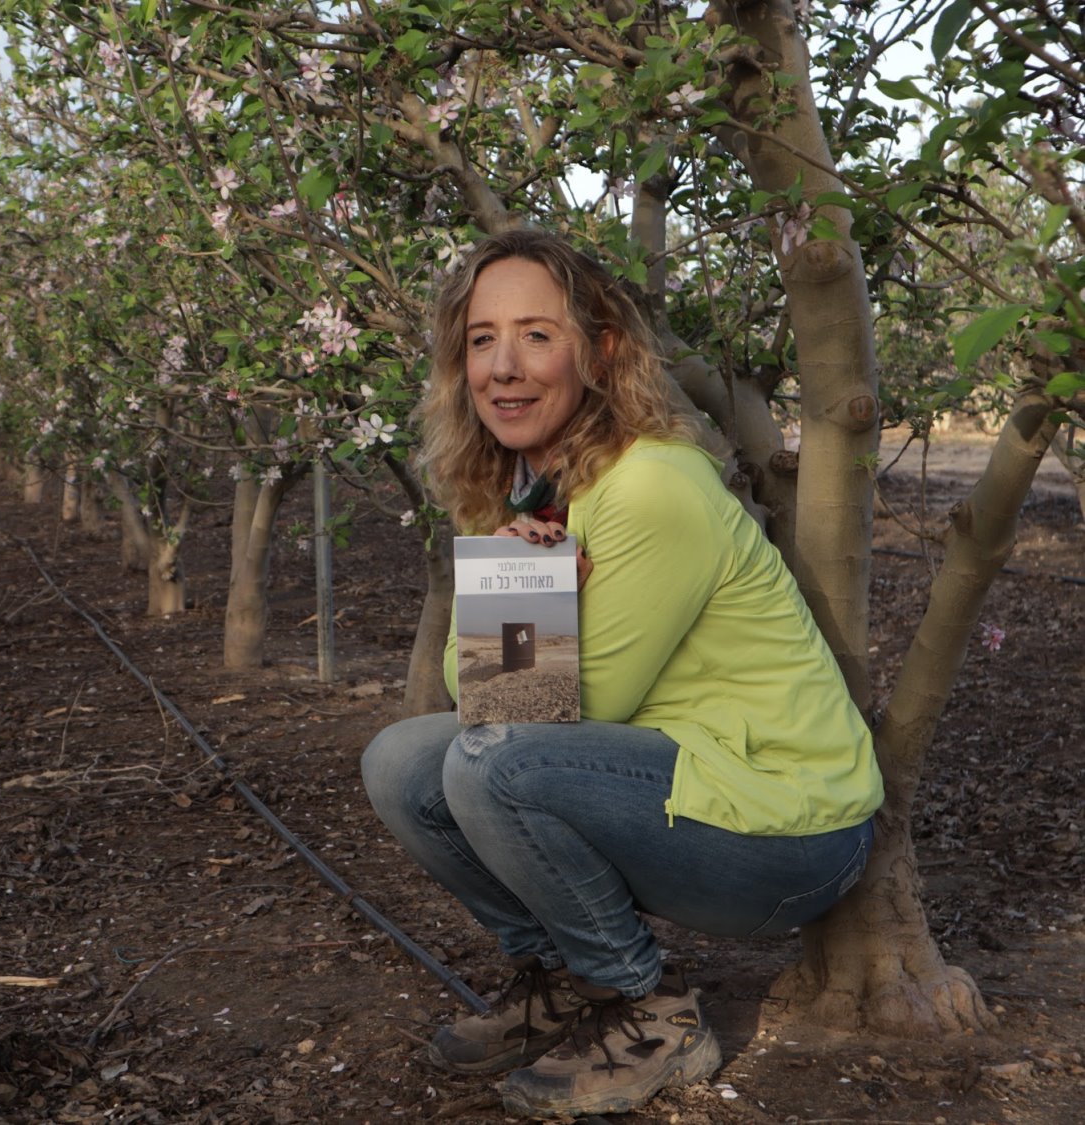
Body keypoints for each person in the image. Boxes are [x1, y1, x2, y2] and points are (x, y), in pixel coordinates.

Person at [362, 229, 884, 1119]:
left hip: (787, 827)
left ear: (601, 350)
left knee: (491, 764)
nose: (504, 366)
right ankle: (565, 978)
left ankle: (652, 1013)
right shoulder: (540, 490)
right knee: (401, 760)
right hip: (681, 779)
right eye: (481, 339)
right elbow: (475, 691)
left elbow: (541, 713)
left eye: (537, 333)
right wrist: (512, 574)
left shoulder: (650, 488)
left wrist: (516, 605)